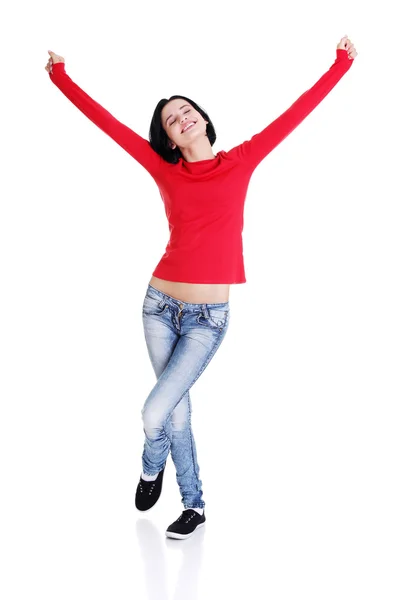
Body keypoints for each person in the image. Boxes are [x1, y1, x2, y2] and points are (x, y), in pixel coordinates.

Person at [45, 35, 357, 540]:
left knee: (155, 412)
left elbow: (296, 112)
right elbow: (108, 126)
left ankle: (151, 466)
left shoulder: (242, 160)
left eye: (187, 110)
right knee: (177, 412)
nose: (182, 118)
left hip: (207, 320)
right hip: (157, 306)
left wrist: (340, 64)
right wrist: (60, 77)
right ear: (168, 139)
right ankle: (194, 506)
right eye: (172, 119)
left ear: (204, 120)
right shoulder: (163, 168)